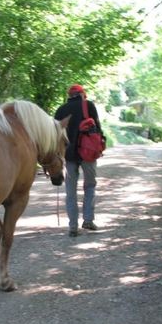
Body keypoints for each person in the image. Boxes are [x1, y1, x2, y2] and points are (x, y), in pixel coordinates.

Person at [54, 84, 104, 237]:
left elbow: (54, 134)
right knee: (90, 185)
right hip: (87, 152)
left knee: (71, 192)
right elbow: (98, 127)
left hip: (69, 156)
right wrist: (99, 146)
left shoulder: (61, 110)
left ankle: (73, 227)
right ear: (82, 94)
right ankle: (88, 220)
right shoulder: (88, 105)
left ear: (69, 96)